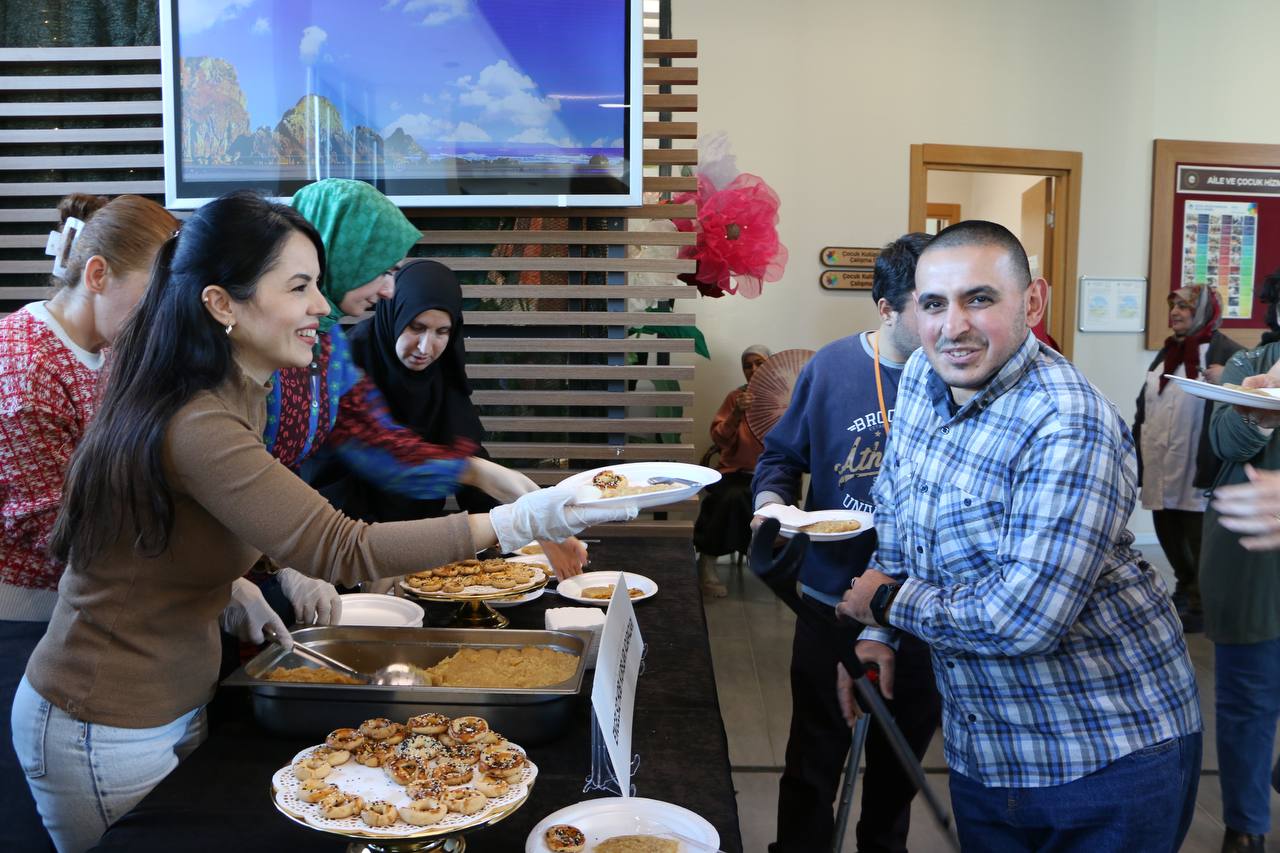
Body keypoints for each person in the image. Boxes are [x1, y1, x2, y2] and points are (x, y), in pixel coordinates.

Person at [10, 191, 634, 853]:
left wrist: (247, 580)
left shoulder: (236, 390)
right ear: (222, 303)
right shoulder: (199, 420)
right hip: (103, 722)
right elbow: (342, 544)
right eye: (302, 286)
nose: (323, 306)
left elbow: (236, 525)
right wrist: (516, 519)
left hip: (167, 704)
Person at [839, 220, 1202, 851]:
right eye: (933, 304)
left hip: (1106, 760)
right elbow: (897, 511)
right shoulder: (929, 378)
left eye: (979, 299)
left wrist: (886, 601)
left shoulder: (1068, 423)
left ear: (1032, 302)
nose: (953, 327)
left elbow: (1023, 619)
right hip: (988, 754)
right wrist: (879, 635)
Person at [275, 179, 586, 579]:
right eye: (381, 269)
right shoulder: (291, 347)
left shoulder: (325, 344)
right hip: (302, 552)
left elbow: (379, 441)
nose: (389, 290)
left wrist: (486, 478)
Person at [753, 233, 941, 853]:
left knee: (897, 773)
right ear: (885, 308)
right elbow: (780, 456)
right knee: (813, 760)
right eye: (928, 303)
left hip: (919, 606)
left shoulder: (958, 375)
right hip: (829, 597)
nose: (946, 319)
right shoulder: (833, 369)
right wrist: (772, 504)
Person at [0, 193, 177, 852]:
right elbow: (44, 525)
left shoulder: (106, 346)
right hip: (25, 615)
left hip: (90, 601)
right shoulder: (24, 362)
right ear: (96, 274)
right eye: (148, 299)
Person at [1194, 336, 1280, 853]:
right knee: (1248, 696)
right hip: (1248, 555)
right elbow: (1225, 439)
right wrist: (1264, 410)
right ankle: (1245, 825)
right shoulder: (1252, 364)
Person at [1132, 284, 1241, 632]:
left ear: (1206, 313)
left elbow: (1241, 409)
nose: (1176, 313)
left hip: (1197, 463)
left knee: (1198, 536)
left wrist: (1228, 382)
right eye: (1174, 306)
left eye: (1186, 308)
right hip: (1161, 459)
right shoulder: (1168, 352)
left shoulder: (1229, 354)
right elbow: (1144, 406)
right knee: (1167, 528)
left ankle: (1201, 600)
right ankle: (1184, 587)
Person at [693, 344, 771, 597]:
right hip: (735, 471)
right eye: (748, 365)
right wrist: (737, 412)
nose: (753, 369)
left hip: (770, 474)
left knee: (766, 499)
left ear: (771, 365)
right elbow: (721, 440)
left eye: (759, 363)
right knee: (729, 497)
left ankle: (770, 562)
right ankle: (707, 563)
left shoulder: (783, 397)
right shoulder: (735, 398)